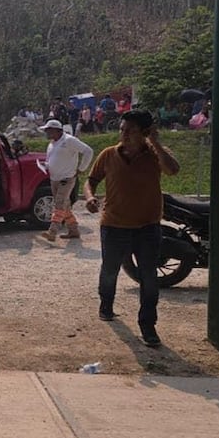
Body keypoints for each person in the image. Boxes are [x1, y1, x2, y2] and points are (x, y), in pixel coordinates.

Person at [84, 110, 180, 347]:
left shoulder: (155, 155)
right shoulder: (108, 154)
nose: (124, 135)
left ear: (145, 133)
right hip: (114, 224)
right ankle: (106, 304)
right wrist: (89, 197)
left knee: (148, 276)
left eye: (131, 131)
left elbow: (172, 170)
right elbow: (91, 180)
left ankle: (148, 325)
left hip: (147, 227)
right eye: (122, 130)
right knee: (109, 270)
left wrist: (155, 142)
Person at [37, 119, 94, 242]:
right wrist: (45, 165)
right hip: (54, 178)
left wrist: (82, 168)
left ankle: (52, 231)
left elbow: (88, 151)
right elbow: (52, 160)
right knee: (65, 205)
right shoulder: (51, 144)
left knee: (59, 203)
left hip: (66, 178)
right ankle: (73, 230)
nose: (46, 133)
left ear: (56, 130)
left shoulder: (69, 140)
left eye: (48, 130)